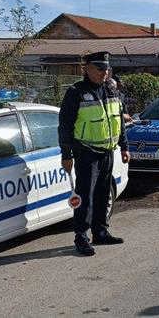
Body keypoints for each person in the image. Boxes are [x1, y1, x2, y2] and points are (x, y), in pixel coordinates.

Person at [58, 51, 130, 256]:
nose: (104, 73)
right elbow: (65, 126)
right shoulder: (76, 92)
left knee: (102, 195)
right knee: (85, 197)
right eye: (99, 69)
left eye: (106, 69)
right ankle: (81, 237)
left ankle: (101, 232)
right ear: (87, 69)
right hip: (86, 153)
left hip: (107, 152)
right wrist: (66, 155)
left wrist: (124, 147)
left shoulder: (111, 90)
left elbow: (119, 120)